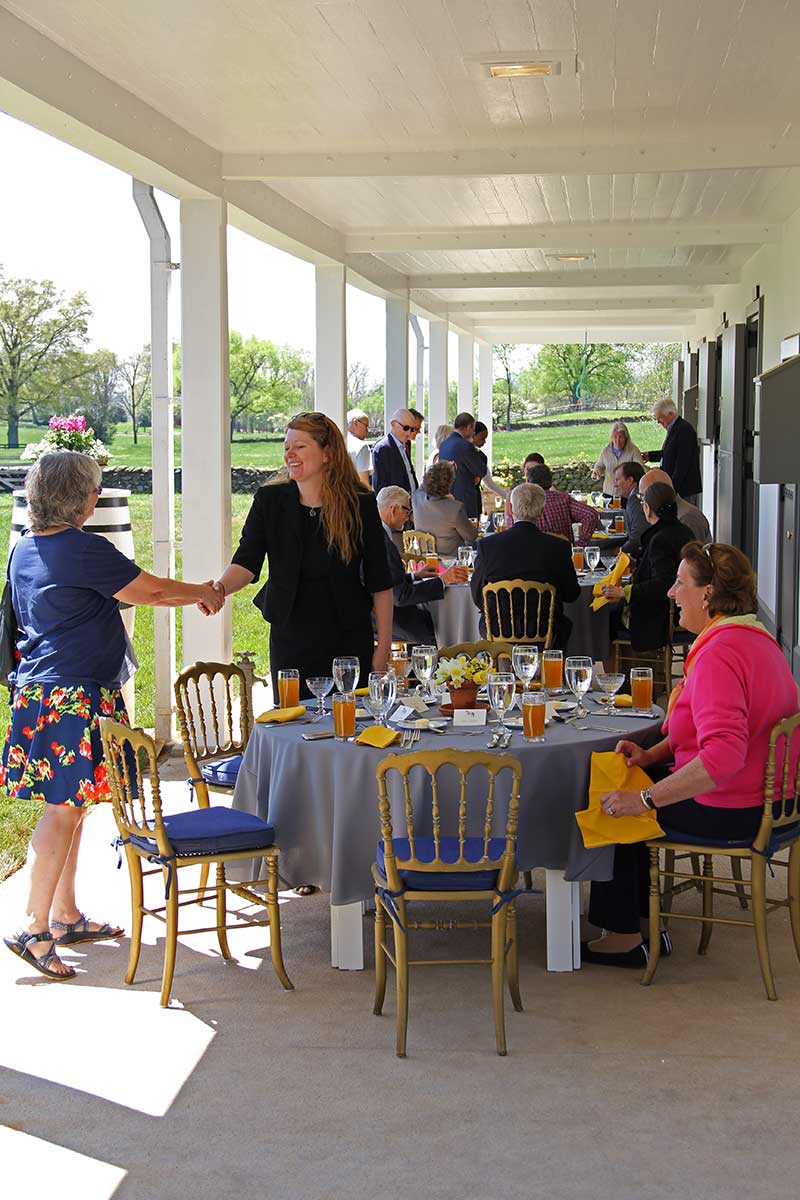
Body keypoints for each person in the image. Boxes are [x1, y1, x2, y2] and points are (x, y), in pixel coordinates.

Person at [2, 450, 224, 981]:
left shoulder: (25, 548)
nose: (97, 497)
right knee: (63, 811)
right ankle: (34, 928)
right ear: (83, 498)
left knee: (74, 807)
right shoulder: (83, 549)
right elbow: (149, 591)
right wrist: (203, 594)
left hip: (44, 694)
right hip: (73, 696)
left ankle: (65, 916)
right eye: (94, 490)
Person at [583, 541, 800, 967]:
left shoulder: (719, 654)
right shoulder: (756, 638)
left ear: (707, 594)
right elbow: (707, 731)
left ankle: (626, 936)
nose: (670, 592)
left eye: (679, 583)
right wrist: (652, 756)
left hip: (733, 805)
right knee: (625, 772)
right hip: (773, 799)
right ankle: (647, 924)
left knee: (613, 800)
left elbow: (721, 758)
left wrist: (643, 799)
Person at [214, 412, 393, 700]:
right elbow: (246, 562)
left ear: (327, 453)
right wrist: (220, 588)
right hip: (291, 638)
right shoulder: (269, 501)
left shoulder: (360, 503)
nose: (290, 455)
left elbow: (380, 582)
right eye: (286, 447)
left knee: (350, 726)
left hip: (348, 639)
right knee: (295, 722)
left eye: (299, 446)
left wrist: (382, 647)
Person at [470, 483, 580, 649]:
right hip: (544, 629)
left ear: (511, 508)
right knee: (564, 624)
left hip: (500, 628)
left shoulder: (488, 545)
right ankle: (551, 671)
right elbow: (571, 594)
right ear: (542, 512)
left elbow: (478, 595)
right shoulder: (558, 547)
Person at [602, 481, 693, 651]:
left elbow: (664, 583)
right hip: (686, 607)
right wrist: (640, 563)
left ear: (648, 508)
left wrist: (625, 592)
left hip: (662, 616)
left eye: (643, 503)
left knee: (606, 617)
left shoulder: (659, 539)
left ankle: (627, 671)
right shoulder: (684, 531)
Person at [377, 486, 468, 642]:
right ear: (393, 510)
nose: (408, 517)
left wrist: (414, 576)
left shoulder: (376, 533)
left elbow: (386, 580)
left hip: (378, 611)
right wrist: (443, 580)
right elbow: (401, 596)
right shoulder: (382, 542)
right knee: (439, 627)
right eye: (407, 511)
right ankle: (435, 665)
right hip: (387, 617)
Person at [412, 461, 478, 557]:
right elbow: (471, 536)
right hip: (448, 562)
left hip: (423, 560)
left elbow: (423, 486)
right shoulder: (455, 509)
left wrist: (435, 470)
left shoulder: (417, 498)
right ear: (449, 484)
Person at [644, 399, 702, 503]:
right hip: (677, 487)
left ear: (670, 414)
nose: (658, 422)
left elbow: (682, 464)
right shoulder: (675, 428)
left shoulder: (684, 430)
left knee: (684, 518)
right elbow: (669, 453)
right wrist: (650, 456)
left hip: (683, 489)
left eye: (660, 418)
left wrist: (672, 488)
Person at [526, 463, 599, 544]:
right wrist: (581, 544)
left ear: (529, 482)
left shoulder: (525, 502)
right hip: (564, 553)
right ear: (550, 481)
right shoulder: (563, 499)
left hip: (534, 554)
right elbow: (591, 515)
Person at [640, 467, 711, 544]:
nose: (642, 502)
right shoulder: (666, 516)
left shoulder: (686, 517)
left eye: (643, 496)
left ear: (659, 491)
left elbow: (693, 554)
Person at [437, 413, 487, 519]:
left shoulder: (444, 444)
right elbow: (481, 470)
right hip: (464, 498)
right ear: (468, 427)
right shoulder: (465, 446)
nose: (473, 432)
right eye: (473, 429)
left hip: (447, 496)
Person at [370, 408, 419, 497]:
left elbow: (409, 473)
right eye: (406, 428)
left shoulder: (405, 444)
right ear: (393, 424)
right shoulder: (383, 448)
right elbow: (381, 485)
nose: (408, 433)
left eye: (412, 429)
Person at [591, 421, 645, 497]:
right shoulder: (606, 451)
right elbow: (600, 465)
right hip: (609, 493)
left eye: (621, 437)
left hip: (627, 495)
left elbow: (640, 469)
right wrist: (597, 471)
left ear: (626, 438)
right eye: (615, 437)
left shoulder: (633, 451)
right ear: (611, 437)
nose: (617, 441)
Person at [613, 461, 648, 557]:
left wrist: (621, 551)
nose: (614, 484)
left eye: (617, 480)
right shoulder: (637, 495)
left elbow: (637, 535)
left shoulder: (635, 499)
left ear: (630, 480)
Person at [472, 421, 508, 504]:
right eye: (482, 439)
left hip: (475, 498)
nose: (484, 442)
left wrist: (507, 496)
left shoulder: (481, 457)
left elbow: (488, 482)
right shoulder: (462, 454)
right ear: (473, 435)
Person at [346, 408, 372, 486]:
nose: (367, 430)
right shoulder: (361, 447)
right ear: (355, 423)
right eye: (366, 426)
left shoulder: (338, 442)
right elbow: (364, 482)